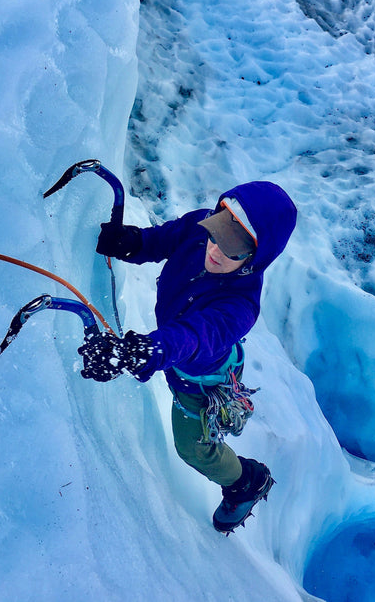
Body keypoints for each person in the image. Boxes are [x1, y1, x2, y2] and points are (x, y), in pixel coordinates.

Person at [77, 180, 297, 533]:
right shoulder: (201, 228)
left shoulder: (239, 306)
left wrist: (144, 351)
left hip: (198, 380)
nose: (215, 249)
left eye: (234, 247)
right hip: (172, 353)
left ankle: (246, 481)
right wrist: (132, 243)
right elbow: (167, 238)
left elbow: (196, 336)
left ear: (257, 258)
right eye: (218, 230)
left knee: (193, 449)